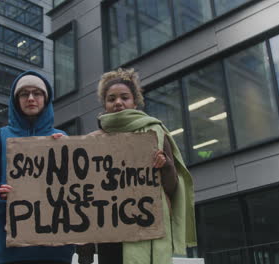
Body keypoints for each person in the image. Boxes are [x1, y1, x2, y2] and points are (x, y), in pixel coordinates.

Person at [82, 68, 196, 264]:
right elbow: (84, 192)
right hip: (109, 233)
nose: (118, 102)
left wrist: (166, 166)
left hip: (146, 226)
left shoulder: (155, 133)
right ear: (105, 105)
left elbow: (171, 187)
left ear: (135, 102)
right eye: (111, 99)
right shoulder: (92, 141)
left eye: (124, 97)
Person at [0, 70, 75, 264]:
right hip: (7, 251)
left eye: (37, 93)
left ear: (46, 99)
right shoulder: (1, 137)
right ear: (16, 100)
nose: (30, 98)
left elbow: (80, 189)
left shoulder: (61, 138)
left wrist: (70, 152)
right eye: (24, 93)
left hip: (53, 251)